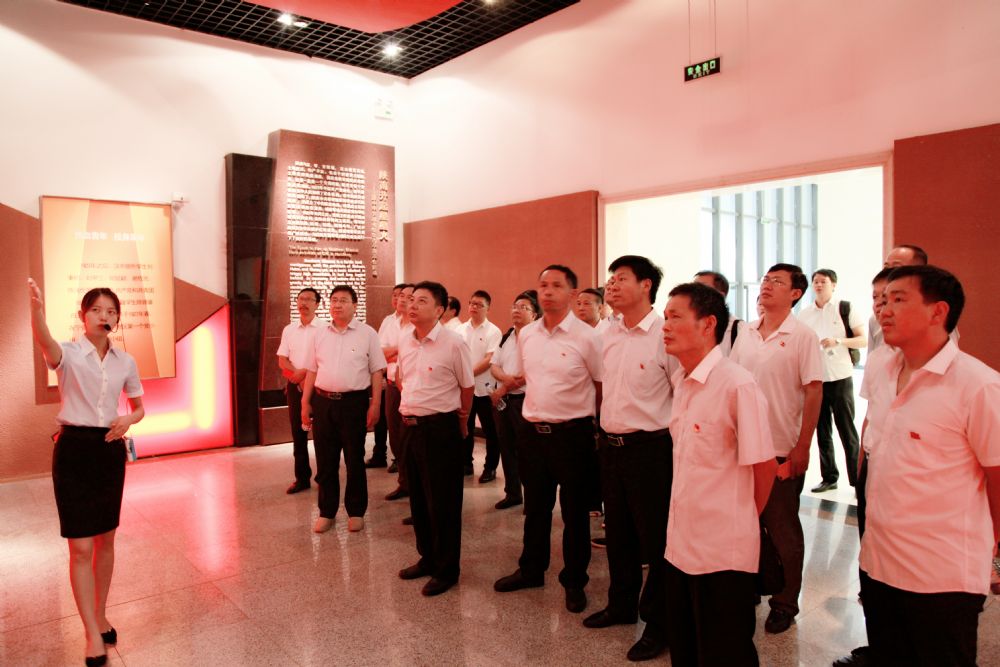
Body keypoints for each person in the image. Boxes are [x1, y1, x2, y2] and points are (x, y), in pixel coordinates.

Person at [858, 265, 1000, 666]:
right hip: (879, 564)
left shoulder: (978, 385)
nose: (884, 310)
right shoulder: (883, 371)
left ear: (938, 311)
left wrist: (995, 556)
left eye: (899, 300)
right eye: (883, 300)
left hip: (941, 577)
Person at [29, 279, 145, 667]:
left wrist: (128, 419)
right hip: (74, 451)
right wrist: (37, 312)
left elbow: (139, 407)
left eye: (111, 311)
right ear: (84, 315)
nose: (103, 316)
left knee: (105, 541)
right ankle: (91, 633)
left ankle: (101, 613)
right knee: (80, 547)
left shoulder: (125, 361)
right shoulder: (69, 353)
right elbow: (45, 342)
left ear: (117, 319)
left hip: (109, 452)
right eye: (96, 309)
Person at [661, 282, 777, 666]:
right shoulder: (681, 380)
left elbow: (764, 466)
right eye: (665, 317)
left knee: (725, 653)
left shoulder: (736, 384)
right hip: (680, 545)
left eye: (675, 316)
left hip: (723, 553)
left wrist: (740, 521)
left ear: (708, 324)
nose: (665, 325)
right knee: (686, 649)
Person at [583, 255, 678, 663]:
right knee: (618, 533)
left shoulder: (664, 333)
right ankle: (621, 605)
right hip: (611, 447)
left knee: (655, 541)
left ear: (646, 285)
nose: (612, 285)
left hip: (651, 450)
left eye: (621, 278)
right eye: (611, 278)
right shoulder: (608, 331)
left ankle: (658, 624)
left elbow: (682, 394)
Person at [494, 264, 602, 615]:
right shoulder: (528, 334)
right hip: (533, 433)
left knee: (574, 513)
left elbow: (600, 385)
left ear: (572, 293)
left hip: (572, 435)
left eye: (557, 285)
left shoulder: (588, 337)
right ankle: (531, 569)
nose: (548, 291)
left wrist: (596, 428)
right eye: (543, 285)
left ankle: (574, 581)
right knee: (536, 507)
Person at [730, 263, 823, 635]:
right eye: (766, 279)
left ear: (795, 293)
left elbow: (814, 391)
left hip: (779, 445)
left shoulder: (802, 336)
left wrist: (803, 446)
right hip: (742, 445)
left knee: (783, 528)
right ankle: (755, 584)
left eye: (778, 282)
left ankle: (785, 602)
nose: (767, 285)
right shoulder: (746, 332)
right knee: (746, 524)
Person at [396, 281, 474, 597]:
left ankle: (447, 569)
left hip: (440, 429)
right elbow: (403, 378)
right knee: (418, 499)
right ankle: (427, 557)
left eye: (422, 301)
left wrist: (461, 422)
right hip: (410, 427)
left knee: (443, 502)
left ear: (439, 309)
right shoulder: (405, 339)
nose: (412, 305)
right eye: (411, 299)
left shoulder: (454, 343)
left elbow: (467, 386)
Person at [301, 286, 386, 534]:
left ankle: (356, 511)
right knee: (325, 460)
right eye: (334, 300)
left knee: (354, 458)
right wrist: (305, 402)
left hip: (353, 403)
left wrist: (375, 404)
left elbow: (377, 371)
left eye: (343, 300)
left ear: (355, 305)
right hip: (323, 402)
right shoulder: (319, 334)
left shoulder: (367, 333)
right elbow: (311, 370)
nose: (337, 305)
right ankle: (326, 512)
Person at [798, 269, 866, 493]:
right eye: (815, 281)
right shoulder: (805, 314)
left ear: (833, 285)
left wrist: (838, 341)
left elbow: (862, 340)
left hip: (840, 377)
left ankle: (857, 480)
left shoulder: (844, 308)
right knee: (822, 431)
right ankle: (829, 477)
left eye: (823, 282)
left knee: (847, 431)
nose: (818, 285)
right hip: (816, 379)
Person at [489, 290, 540, 510]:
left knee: (528, 451)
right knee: (506, 447)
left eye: (523, 307)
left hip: (525, 400)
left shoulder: (537, 338)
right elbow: (494, 365)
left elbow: (531, 371)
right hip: (504, 402)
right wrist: (505, 382)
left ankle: (533, 498)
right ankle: (513, 493)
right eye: (515, 306)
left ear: (534, 315)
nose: (517, 310)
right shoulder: (507, 336)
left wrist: (503, 388)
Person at [277, 288, 324, 493]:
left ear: (317, 304)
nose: (303, 303)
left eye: (308, 299)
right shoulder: (289, 329)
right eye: (301, 299)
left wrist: (304, 374)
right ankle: (302, 478)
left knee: (322, 434)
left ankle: (323, 477)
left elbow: (324, 359)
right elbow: (282, 359)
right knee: (298, 433)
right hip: (294, 385)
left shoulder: (325, 329)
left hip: (319, 387)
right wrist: (296, 376)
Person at [458, 290, 502, 480]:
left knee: (491, 431)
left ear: (488, 308)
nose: (474, 307)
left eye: (479, 304)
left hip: (485, 389)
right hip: (464, 389)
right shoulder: (459, 330)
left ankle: (490, 468)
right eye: (472, 303)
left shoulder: (494, 331)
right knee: (465, 428)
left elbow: (489, 359)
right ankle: (466, 464)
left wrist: (467, 374)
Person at [380, 283, 414, 497]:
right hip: (393, 385)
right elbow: (379, 353)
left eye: (409, 297)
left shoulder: (418, 326)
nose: (402, 299)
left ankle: (416, 483)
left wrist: (393, 353)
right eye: (401, 295)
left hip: (411, 387)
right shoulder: (389, 322)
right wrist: (399, 350)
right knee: (395, 435)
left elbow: (410, 357)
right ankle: (404, 482)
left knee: (412, 437)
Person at [868, 244, 928, 351]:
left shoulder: (931, 316)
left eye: (896, 267)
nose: (888, 273)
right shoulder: (874, 319)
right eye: (886, 267)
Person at [693, 270, 744, 355]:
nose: (694, 294)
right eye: (693, 288)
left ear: (720, 296)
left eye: (701, 288)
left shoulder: (739, 330)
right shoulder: (690, 326)